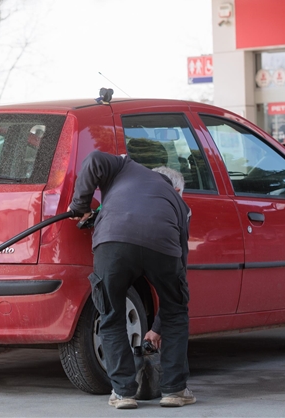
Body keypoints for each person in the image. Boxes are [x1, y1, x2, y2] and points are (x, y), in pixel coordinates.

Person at [69, 147, 194, 410]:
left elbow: (94, 160)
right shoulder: (179, 203)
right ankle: (174, 391)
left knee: (112, 314)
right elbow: (179, 277)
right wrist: (160, 326)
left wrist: (80, 206)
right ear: (175, 188)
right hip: (163, 245)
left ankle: (123, 392)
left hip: (113, 240)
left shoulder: (126, 167)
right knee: (176, 310)